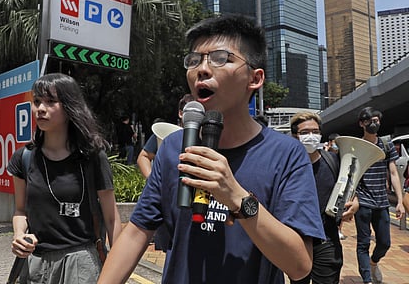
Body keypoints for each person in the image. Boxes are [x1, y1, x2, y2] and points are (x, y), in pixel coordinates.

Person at [98, 15, 325, 283]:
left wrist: (237, 197)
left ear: (255, 78)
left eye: (220, 58)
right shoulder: (173, 147)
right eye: (194, 60)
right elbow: (137, 232)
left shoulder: (287, 153)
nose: (202, 70)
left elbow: (299, 265)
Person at [7, 73, 122, 283]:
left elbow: (111, 218)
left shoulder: (93, 157)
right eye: (37, 102)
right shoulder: (24, 158)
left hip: (81, 263)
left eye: (51, 102)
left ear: (70, 107)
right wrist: (18, 235)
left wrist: (118, 270)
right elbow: (20, 210)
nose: (41, 108)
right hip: (36, 265)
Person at [290, 112, 359, 284]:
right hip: (296, 239)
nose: (311, 136)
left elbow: (349, 189)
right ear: (294, 136)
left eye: (315, 131)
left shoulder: (334, 161)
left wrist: (354, 203)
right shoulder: (286, 165)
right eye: (305, 133)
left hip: (326, 237)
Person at [354, 106, 405, 284]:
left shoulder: (386, 144)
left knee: (384, 243)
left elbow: (393, 173)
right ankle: (367, 279)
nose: (374, 123)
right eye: (369, 120)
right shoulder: (357, 146)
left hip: (382, 201)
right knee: (363, 242)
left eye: (376, 120)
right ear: (362, 123)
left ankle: (373, 262)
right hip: (362, 202)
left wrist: (399, 201)